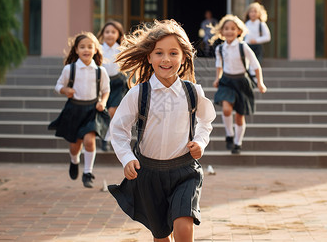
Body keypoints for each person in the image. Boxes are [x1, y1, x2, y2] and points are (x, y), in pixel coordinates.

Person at [108, 19, 216, 242]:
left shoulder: (192, 91)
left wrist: (200, 142)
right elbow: (118, 129)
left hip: (184, 172)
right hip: (148, 174)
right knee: (160, 237)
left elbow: (207, 121)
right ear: (149, 57)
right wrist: (127, 158)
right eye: (159, 53)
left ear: (184, 57)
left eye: (173, 53)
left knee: (183, 228)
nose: (166, 59)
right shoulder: (139, 93)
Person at [48, 32, 110, 188]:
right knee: (75, 146)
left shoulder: (100, 71)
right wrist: (65, 91)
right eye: (82, 47)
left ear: (96, 49)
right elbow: (58, 86)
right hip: (74, 110)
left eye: (90, 46)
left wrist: (102, 102)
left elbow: (106, 90)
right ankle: (74, 161)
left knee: (89, 141)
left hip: (92, 110)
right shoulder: (70, 69)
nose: (86, 50)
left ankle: (88, 172)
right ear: (76, 50)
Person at [210, 14, 267, 154]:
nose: (229, 31)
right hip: (227, 81)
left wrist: (260, 83)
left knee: (239, 116)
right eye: (226, 28)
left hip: (241, 82)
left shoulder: (243, 47)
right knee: (226, 109)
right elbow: (219, 65)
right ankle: (229, 134)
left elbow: (256, 65)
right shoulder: (220, 49)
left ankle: (237, 142)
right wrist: (217, 78)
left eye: (233, 29)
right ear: (221, 32)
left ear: (239, 31)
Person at [97, 20, 128, 151]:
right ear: (103, 34)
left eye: (113, 32)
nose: (110, 35)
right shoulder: (98, 48)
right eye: (107, 32)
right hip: (102, 84)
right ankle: (103, 135)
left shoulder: (122, 49)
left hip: (118, 83)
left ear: (118, 34)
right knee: (104, 111)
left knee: (112, 112)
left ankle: (106, 139)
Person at [243, 2, 271, 81]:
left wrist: (256, 40)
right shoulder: (246, 24)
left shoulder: (261, 24)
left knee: (255, 63)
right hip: (247, 46)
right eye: (251, 12)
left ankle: (255, 79)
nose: (253, 14)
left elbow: (267, 37)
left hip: (257, 47)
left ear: (259, 13)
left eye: (255, 12)